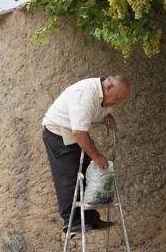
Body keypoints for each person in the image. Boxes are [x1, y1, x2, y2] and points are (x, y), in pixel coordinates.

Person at [41, 75, 130, 234]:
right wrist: (96, 156)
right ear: (108, 87)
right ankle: (72, 221)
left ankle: (89, 218)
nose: (116, 103)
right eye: (116, 98)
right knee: (69, 176)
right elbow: (79, 131)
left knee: (87, 172)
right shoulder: (85, 93)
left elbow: (92, 113)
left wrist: (105, 117)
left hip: (71, 132)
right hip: (57, 132)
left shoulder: (102, 94)